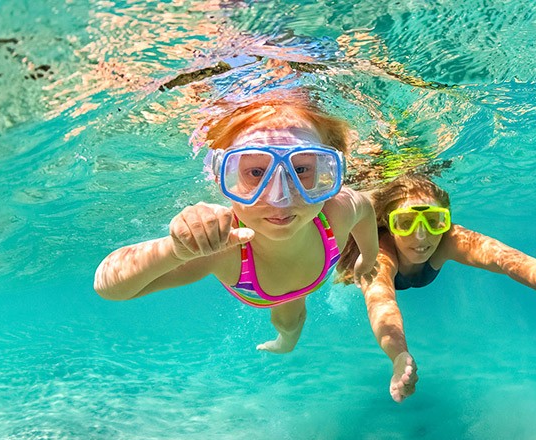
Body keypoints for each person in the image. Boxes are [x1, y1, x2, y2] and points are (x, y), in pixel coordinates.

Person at [94, 94, 379, 353]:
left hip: (305, 283)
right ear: (223, 177)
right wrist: (176, 250)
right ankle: (285, 342)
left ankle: (286, 343)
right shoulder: (222, 245)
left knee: (292, 319)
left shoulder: (338, 210)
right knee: (287, 318)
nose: (280, 197)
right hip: (260, 289)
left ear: (328, 169)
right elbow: (109, 287)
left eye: (302, 169)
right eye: (256, 172)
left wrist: (367, 258)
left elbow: (366, 211)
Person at [338, 174, 536, 402]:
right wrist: (398, 356)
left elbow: (503, 258)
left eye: (434, 221)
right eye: (406, 222)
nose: (421, 236)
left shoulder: (449, 240)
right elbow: (382, 304)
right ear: (389, 224)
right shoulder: (379, 255)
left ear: (446, 222)